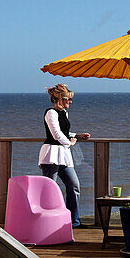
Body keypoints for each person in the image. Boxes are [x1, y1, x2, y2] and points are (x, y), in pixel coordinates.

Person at [38, 84, 91, 228]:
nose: (70, 102)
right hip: (52, 155)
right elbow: (56, 134)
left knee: (74, 186)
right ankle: (47, 222)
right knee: (50, 188)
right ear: (60, 99)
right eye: (68, 99)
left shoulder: (64, 113)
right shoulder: (51, 113)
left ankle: (73, 221)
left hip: (64, 156)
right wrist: (70, 143)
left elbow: (64, 132)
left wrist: (76, 136)